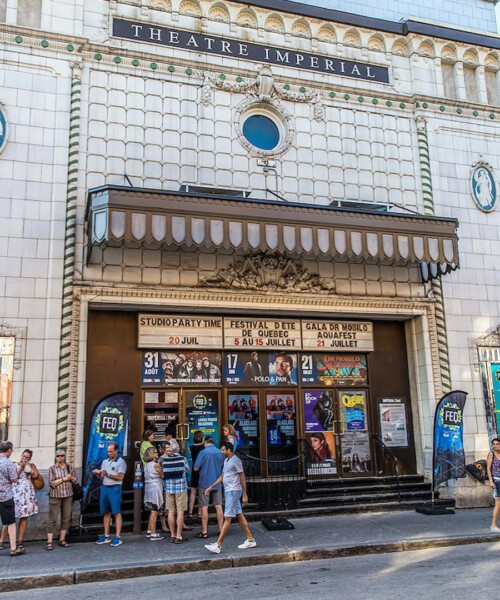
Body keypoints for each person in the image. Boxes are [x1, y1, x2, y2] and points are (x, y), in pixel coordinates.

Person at [204, 442, 256, 554]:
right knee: (239, 515)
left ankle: (218, 545)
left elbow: (242, 477)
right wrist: (211, 487)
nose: (222, 452)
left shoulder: (236, 461)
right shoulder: (226, 460)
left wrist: (245, 494)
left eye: (223, 450)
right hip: (230, 491)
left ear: (229, 450)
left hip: (233, 491)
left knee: (227, 517)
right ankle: (250, 539)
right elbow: (223, 476)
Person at [0, 449, 39, 551]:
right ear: (21, 456)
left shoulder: (32, 465)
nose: (25, 458)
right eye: (24, 456)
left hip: (27, 494)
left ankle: (20, 540)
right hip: (16, 493)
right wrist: (21, 467)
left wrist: (29, 468)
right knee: (10, 518)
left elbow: (35, 476)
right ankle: (1, 541)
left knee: (24, 517)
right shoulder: (14, 464)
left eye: (27, 457)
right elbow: (14, 476)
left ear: (30, 458)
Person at [93, 442, 127, 547]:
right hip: (105, 487)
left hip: (115, 487)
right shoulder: (105, 462)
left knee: (116, 512)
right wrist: (100, 474)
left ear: (116, 451)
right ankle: (106, 535)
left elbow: (120, 477)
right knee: (105, 512)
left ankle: (118, 536)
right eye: (108, 451)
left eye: (111, 451)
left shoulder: (121, 462)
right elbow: (102, 476)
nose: (109, 453)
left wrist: (108, 474)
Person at [193, 436, 224, 539]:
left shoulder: (203, 452)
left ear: (205, 442)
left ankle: (204, 531)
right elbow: (224, 466)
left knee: (204, 506)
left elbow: (196, 468)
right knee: (218, 506)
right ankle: (221, 529)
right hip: (217, 481)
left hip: (205, 482)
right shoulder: (220, 452)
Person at [161, 439, 189, 543]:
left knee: (171, 511)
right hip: (181, 488)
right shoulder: (182, 459)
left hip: (169, 488)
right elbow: (187, 469)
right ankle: (178, 535)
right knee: (180, 511)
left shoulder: (165, 460)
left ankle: (172, 534)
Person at [46, 449, 76, 550]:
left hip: (68, 495)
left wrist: (71, 478)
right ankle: (49, 541)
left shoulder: (69, 467)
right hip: (55, 495)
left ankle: (62, 539)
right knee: (52, 518)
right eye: (58, 456)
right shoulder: (52, 468)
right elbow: (51, 483)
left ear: (64, 456)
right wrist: (63, 479)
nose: (60, 457)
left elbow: (75, 480)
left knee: (66, 517)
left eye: (61, 455)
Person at [0, 441, 22, 556]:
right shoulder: (8, 463)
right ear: (8, 450)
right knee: (10, 522)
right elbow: (14, 479)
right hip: (5, 496)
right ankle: (13, 548)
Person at [143, 447, 165, 541]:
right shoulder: (156, 465)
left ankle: (149, 530)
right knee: (154, 511)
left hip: (148, 488)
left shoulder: (146, 465)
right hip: (156, 488)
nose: (157, 454)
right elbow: (163, 475)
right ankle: (153, 533)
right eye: (155, 452)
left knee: (152, 509)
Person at [187, 430, 204, 520]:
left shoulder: (190, 447)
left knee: (193, 491)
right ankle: (199, 512)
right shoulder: (204, 448)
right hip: (202, 470)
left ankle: (190, 511)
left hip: (194, 469)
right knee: (201, 491)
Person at [487, 437, 500, 532]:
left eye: (497, 444)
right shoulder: (491, 454)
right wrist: (491, 481)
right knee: (498, 504)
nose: (495, 446)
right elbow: (488, 468)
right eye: (494, 444)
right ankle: (493, 525)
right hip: (497, 480)